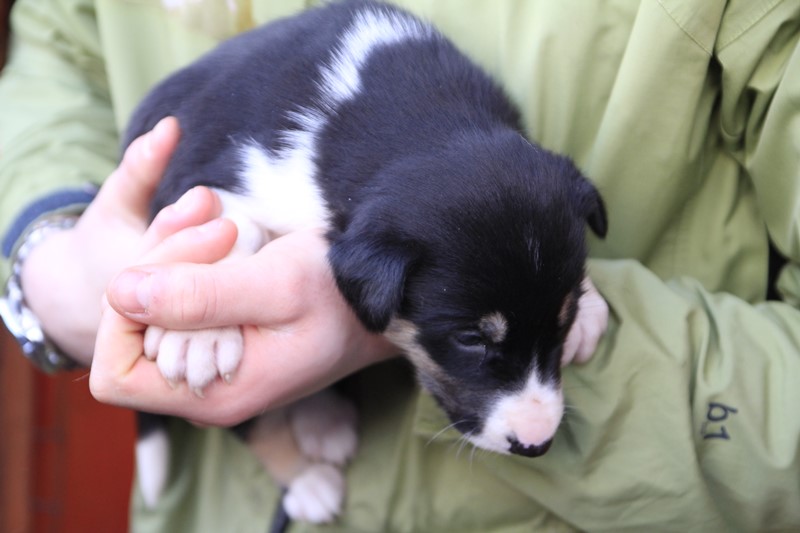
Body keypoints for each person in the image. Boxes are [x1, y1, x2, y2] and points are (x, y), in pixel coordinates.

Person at [2, 0, 799, 531]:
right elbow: (56, 57)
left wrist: (580, 300)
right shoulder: (280, 168)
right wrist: (53, 255)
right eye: (484, 347)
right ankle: (276, 443)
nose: (540, 416)